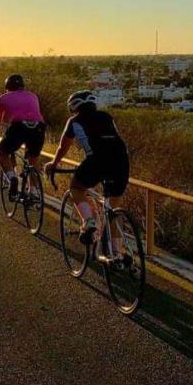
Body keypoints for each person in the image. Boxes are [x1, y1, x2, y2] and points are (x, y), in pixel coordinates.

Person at [44, 90, 130, 262]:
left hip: (97, 159)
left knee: (76, 187)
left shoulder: (74, 121)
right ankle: (117, 252)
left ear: (73, 107)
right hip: (121, 159)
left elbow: (63, 147)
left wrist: (53, 164)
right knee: (114, 208)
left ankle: (89, 221)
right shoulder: (106, 116)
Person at [0, 74, 45, 200]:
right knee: (33, 159)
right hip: (39, 126)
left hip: (19, 126)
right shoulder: (32, 96)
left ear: (7, 87)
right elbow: (33, 114)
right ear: (23, 86)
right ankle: (34, 191)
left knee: (2, 152)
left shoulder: (4, 98)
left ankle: (12, 177)